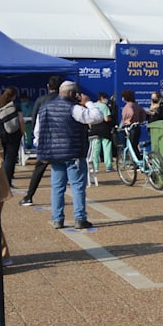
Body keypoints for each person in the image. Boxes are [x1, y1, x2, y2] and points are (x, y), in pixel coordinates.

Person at [34, 81, 105, 229]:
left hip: (54, 154)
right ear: (72, 94)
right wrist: (89, 103)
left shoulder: (45, 108)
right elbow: (97, 117)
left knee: (57, 187)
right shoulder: (74, 108)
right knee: (77, 186)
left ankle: (57, 219)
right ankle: (80, 218)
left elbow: (38, 133)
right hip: (73, 152)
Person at [19, 76, 65, 206]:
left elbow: (35, 120)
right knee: (69, 170)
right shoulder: (65, 100)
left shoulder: (41, 100)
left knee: (39, 169)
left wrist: (37, 138)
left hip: (46, 141)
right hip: (63, 140)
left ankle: (29, 196)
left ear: (48, 86)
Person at [0, 87, 24, 186]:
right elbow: (21, 121)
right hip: (13, 135)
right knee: (10, 160)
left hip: (0, 133)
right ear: (14, 96)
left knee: (0, 159)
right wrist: (22, 133)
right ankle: (7, 182)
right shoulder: (16, 106)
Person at [87, 93, 115, 175]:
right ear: (102, 98)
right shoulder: (104, 107)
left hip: (94, 129)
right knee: (107, 147)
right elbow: (107, 119)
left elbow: (89, 120)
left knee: (95, 149)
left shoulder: (92, 106)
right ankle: (109, 166)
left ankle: (95, 167)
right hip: (104, 128)